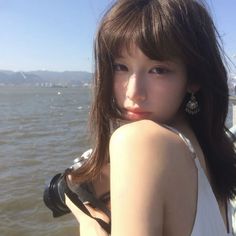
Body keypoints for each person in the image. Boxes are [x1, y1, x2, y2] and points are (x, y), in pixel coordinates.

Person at [65, 0, 236, 235]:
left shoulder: (138, 141)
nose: (133, 91)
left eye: (158, 70)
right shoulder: (212, 150)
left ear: (193, 78)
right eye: (120, 67)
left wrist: (90, 221)